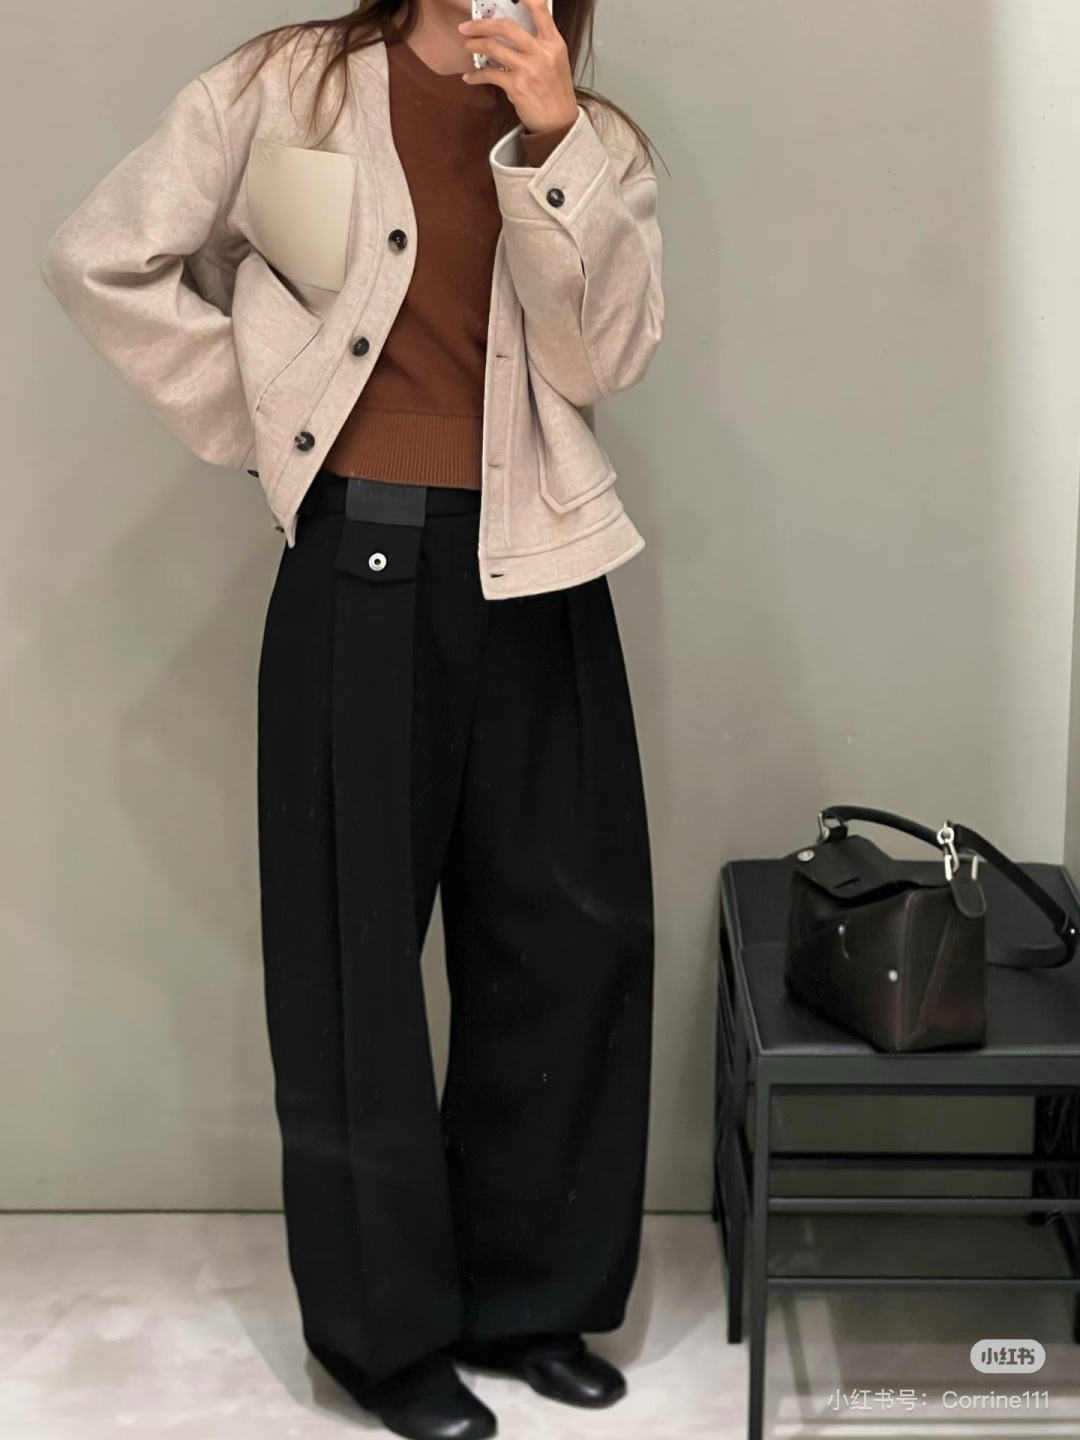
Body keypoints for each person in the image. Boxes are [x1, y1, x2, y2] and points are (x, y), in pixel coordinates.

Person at [40, 2, 665, 1436]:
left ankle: (530, 1298)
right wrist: (272, 414)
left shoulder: (597, 139)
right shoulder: (292, 83)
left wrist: (556, 139)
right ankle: (385, 1339)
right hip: (359, 568)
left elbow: (602, 360)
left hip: (538, 564)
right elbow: (102, 254)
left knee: (570, 938)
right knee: (352, 960)